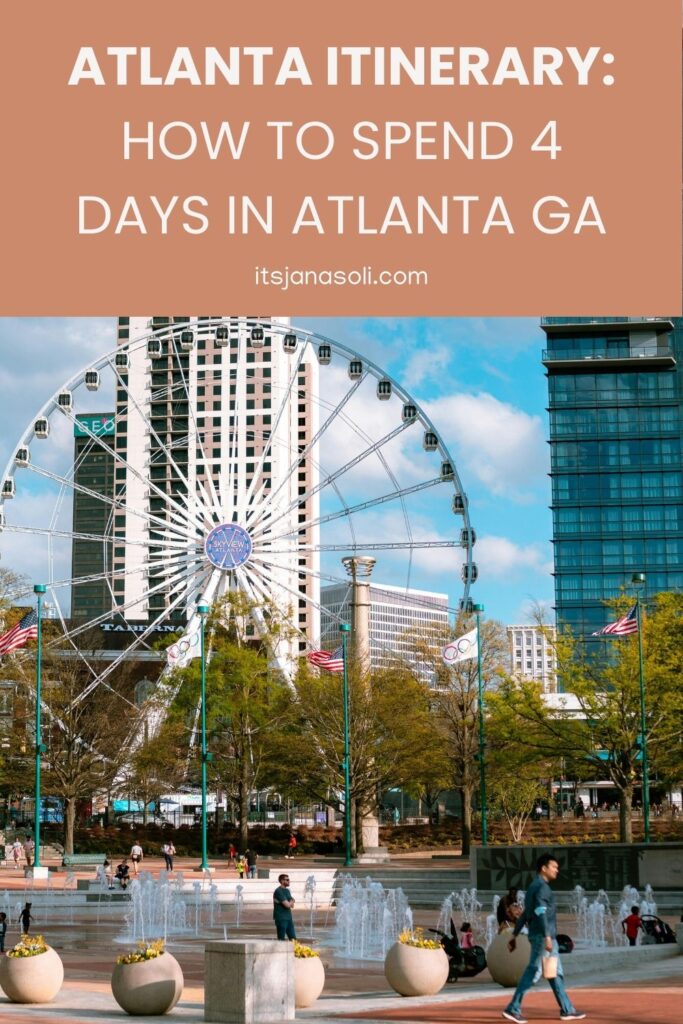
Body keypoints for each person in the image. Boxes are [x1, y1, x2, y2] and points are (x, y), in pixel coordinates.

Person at [502, 853, 586, 1023]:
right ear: (544, 868)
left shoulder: (533, 886)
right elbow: (540, 912)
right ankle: (513, 1008)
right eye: (554, 867)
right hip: (543, 936)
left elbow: (526, 913)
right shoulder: (542, 888)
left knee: (554, 973)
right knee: (534, 971)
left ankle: (567, 1009)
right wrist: (547, 936)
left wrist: (514, 935)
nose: (557, 870)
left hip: (542, 936)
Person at [273, 873, 296, 941]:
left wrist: (291, 902)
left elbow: (292, 905)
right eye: (287, 880)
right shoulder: (278, 891)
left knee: (293, 939)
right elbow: (288, 905)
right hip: (281, 918)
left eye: (289, 880)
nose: (289, 881)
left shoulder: (287, 891)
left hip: (289, 918)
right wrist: (291, 901)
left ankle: (294, 951)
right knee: (281, 939)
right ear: (282, 881)